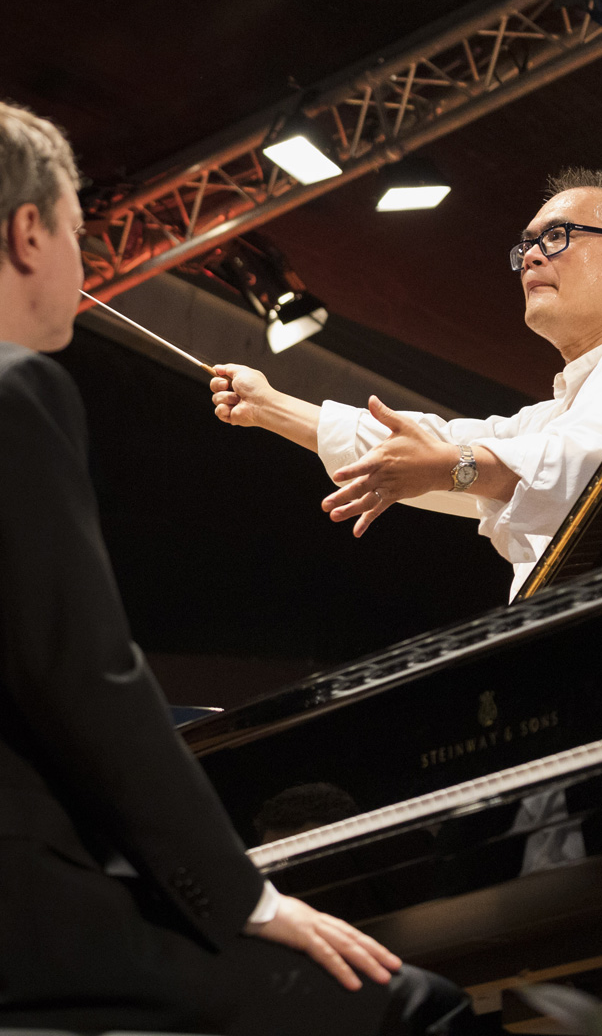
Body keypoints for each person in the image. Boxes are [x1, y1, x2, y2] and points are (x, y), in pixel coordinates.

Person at [0, 100, 483, 1035]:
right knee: (418, 1011)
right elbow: (83, 675)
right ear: (28, 233)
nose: (84, 264)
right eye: (74, 234)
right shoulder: (17, 390)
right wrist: (245, 897)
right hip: (30, 919)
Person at [210, 170, 602, 598]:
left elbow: (601, 466)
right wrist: (267, 407)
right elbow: (433, 446)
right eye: (527, 246)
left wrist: (455, 467)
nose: (532, 257)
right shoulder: (554, 416)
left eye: (557, 236)